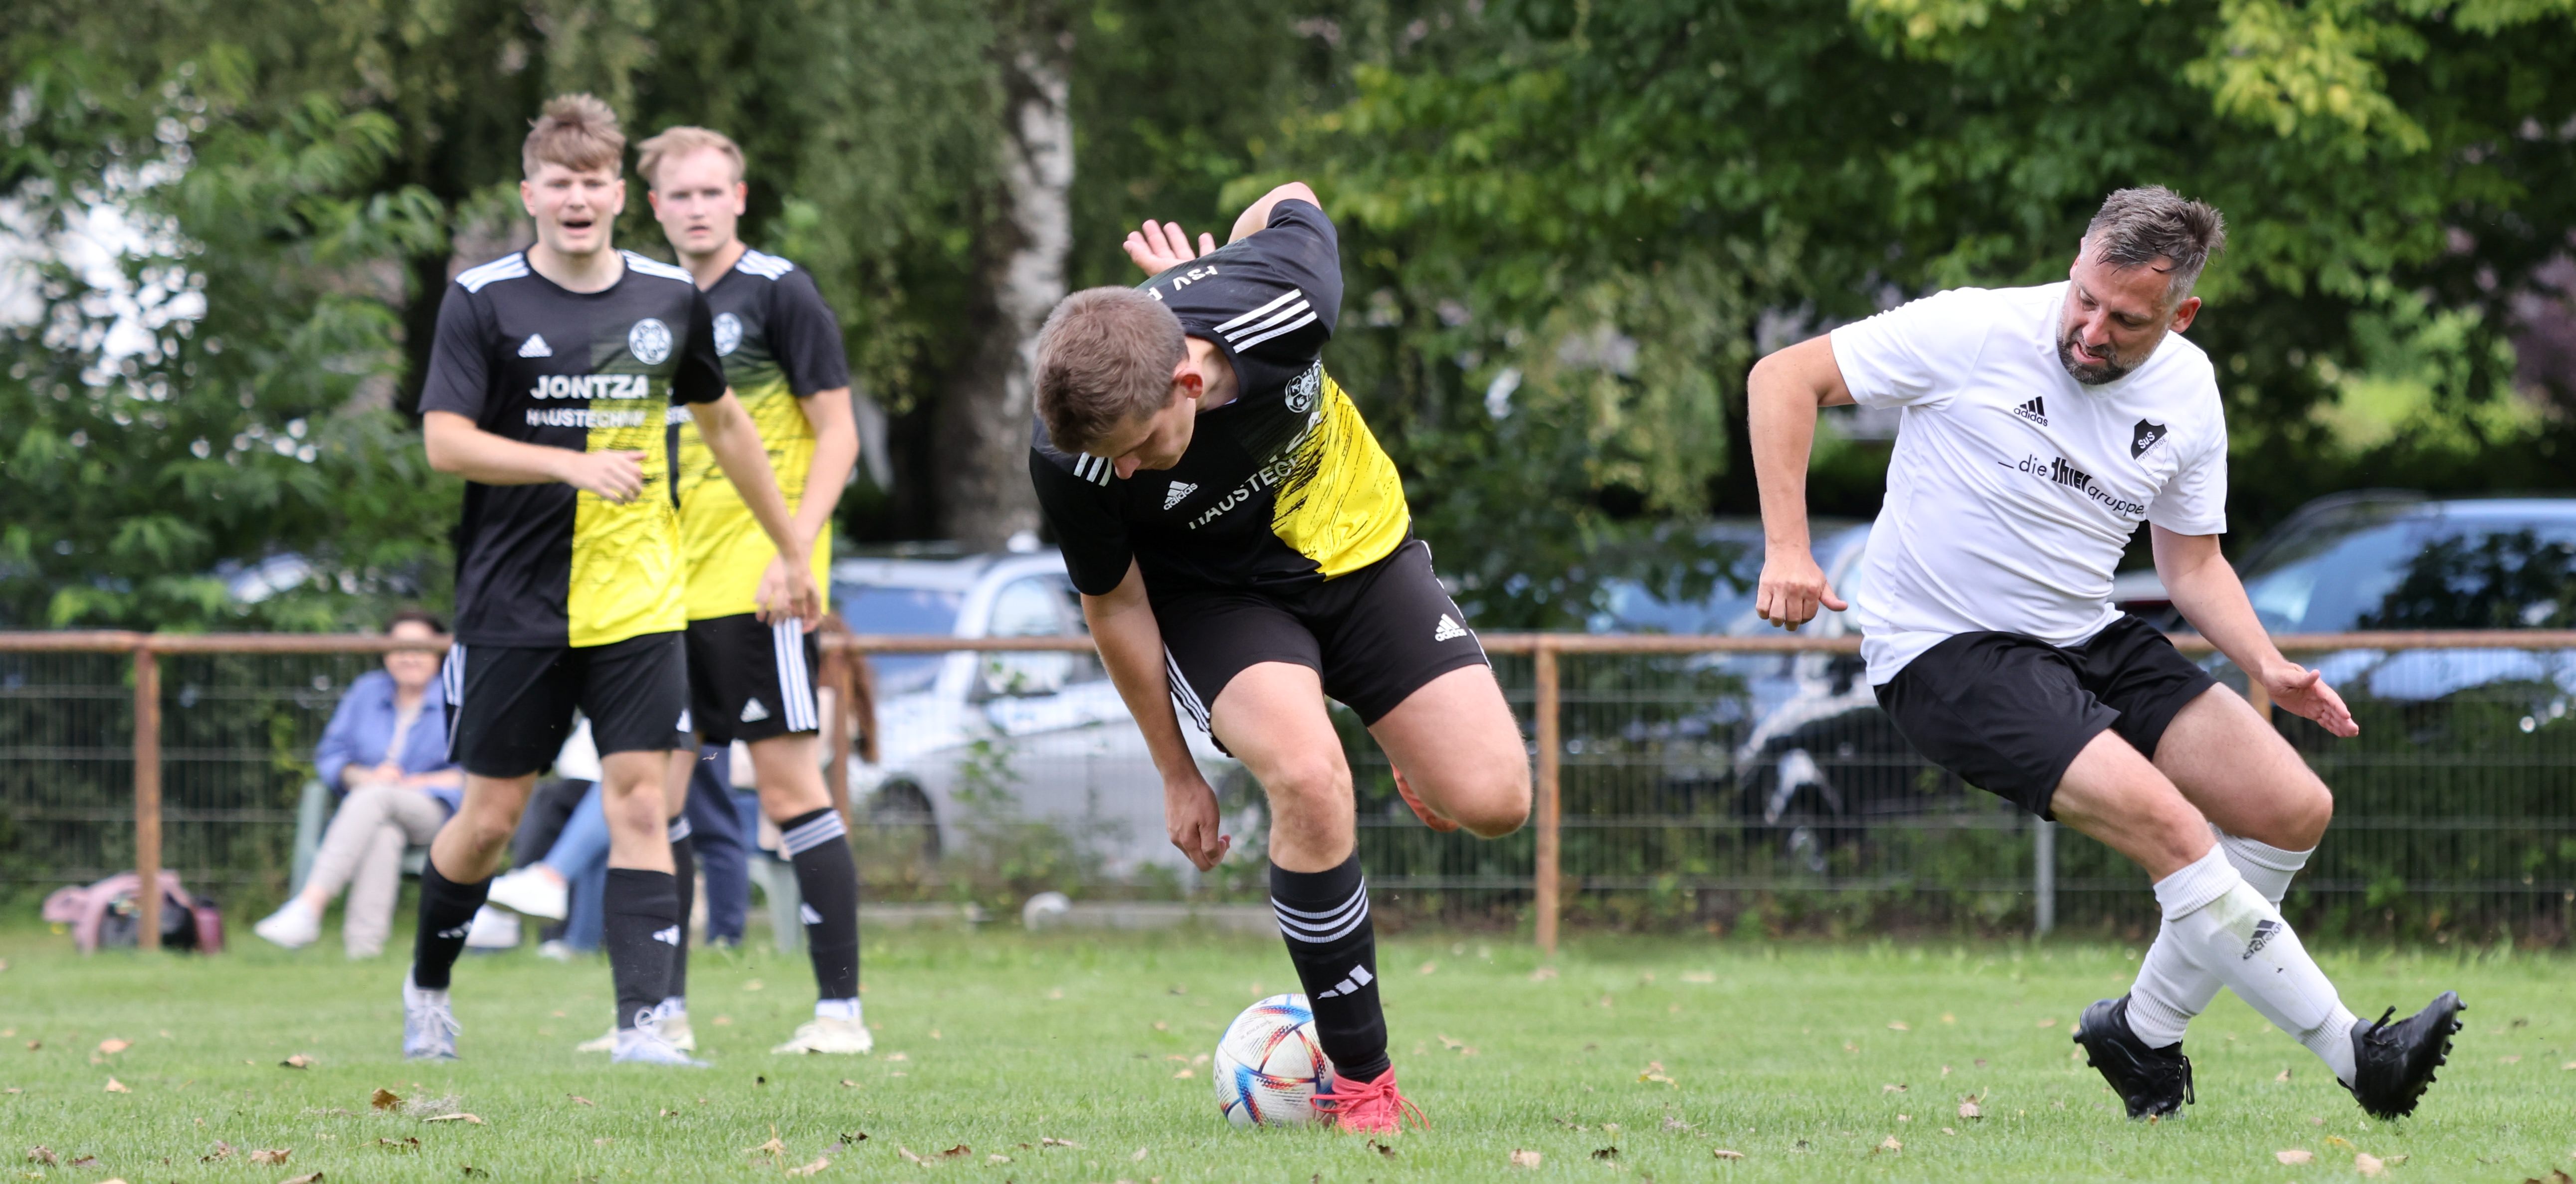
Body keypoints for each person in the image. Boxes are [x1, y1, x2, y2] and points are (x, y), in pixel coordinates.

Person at [1746, 186, 2463, 1122]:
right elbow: (1782, 376)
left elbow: (2191, 562)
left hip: (2085, 631)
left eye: (2126, 320)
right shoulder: (1972, 328)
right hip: (1945, 648)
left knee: (2290, 807)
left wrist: (2266, 662)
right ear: (2075, 265)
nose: (2091, 331)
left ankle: (2143, 1031)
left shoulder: (2189, 391)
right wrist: (1789, 547)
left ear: (2181, 314)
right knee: (2175, 829)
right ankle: (2359, 1055)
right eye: (2084, 298)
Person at [1025, 182, 1532, 1133]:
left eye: (1138, 448)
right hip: (1220, 600)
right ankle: (1364, 1083)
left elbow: (1292, 198)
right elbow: (1116, 603)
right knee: (1308, 776)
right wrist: (1177, 771)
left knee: (1498, 799)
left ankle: (1405, 741)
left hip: (1360, 552)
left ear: (1186, 383)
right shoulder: (1076, 457)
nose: (1123, 471)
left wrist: (1226, 264)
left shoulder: (1285, 297)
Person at [405, 94, 819, 1066]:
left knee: (640, 802)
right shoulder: (483, 298)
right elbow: (444, 442)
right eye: (559, 182)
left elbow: (726, 424)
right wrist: (568, 464)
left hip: (639, 598)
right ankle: (428, 988)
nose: (577, 198)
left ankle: (644, 1024)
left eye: (593, 181)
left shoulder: (665, 296)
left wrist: (790, 547)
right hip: (513, 602)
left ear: (618, 195)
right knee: (489, 820)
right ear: (531, 194)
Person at [626, 124, 871, 1056]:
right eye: (678, 195)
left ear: (738, 197)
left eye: (710, 192)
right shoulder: (645, 301)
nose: (695, 208)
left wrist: (791, 551)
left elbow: (839, 435)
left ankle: (841, 1013)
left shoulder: (779, 291)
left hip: (760, 584)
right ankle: (660, 1015)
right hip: (663, 592)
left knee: (786, 786)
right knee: (656, 796)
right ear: (656, 207)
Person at [254, 610, 463, 958]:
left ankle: (310, 906)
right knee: (384, 833)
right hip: (375, 809)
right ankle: (363, 951)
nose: (409, 657)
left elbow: (476, 772)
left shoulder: (457, 695)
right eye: (400, 648)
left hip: (437, 811)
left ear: (439, 653)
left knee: (377, 798)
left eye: (420, 648)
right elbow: (332, 756)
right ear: (386, 653)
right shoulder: (366, 691)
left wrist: (418, 782)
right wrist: (366, 777)